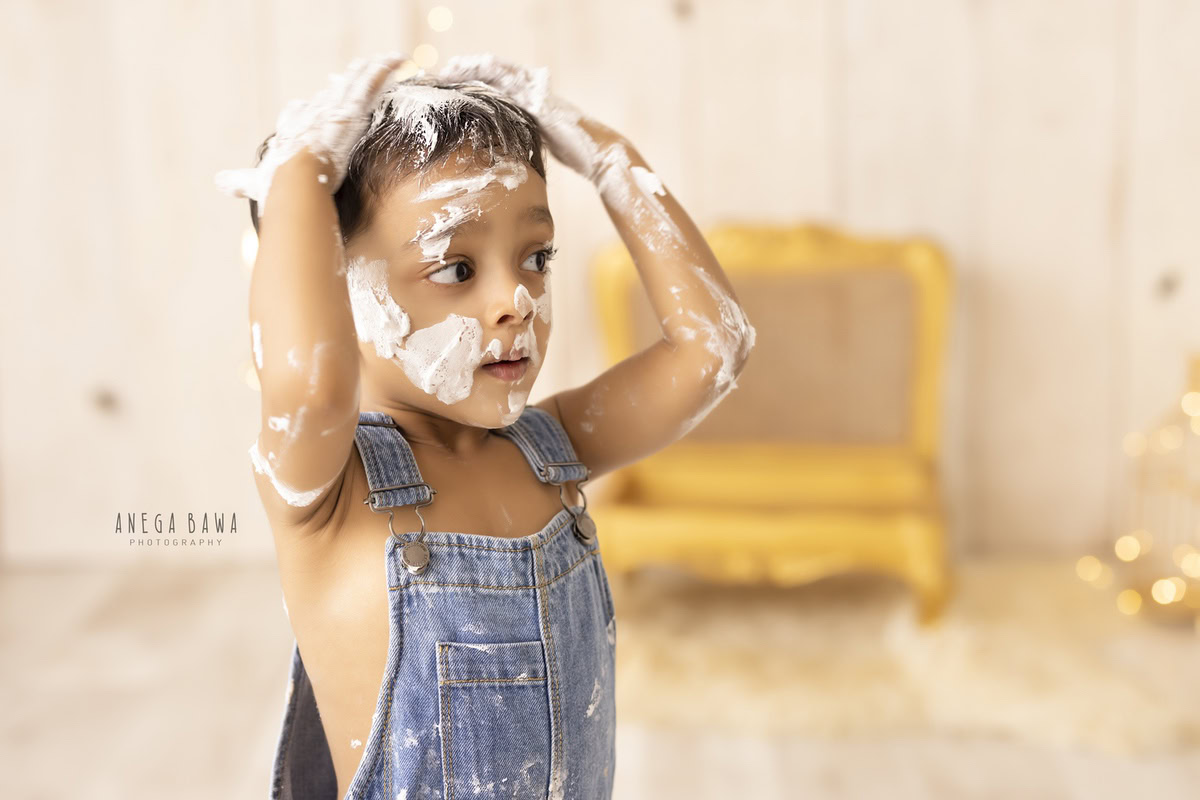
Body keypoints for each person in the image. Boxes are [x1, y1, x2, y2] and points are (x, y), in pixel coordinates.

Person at [215, 50, 756, 800]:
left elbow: (715, 346)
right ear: (339, 289)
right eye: (457, 268)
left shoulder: (551, 450)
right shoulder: (331, 491)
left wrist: (608, 159)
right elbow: (310, 386)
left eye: (536, 257)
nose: (518, 300)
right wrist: (301, 179)